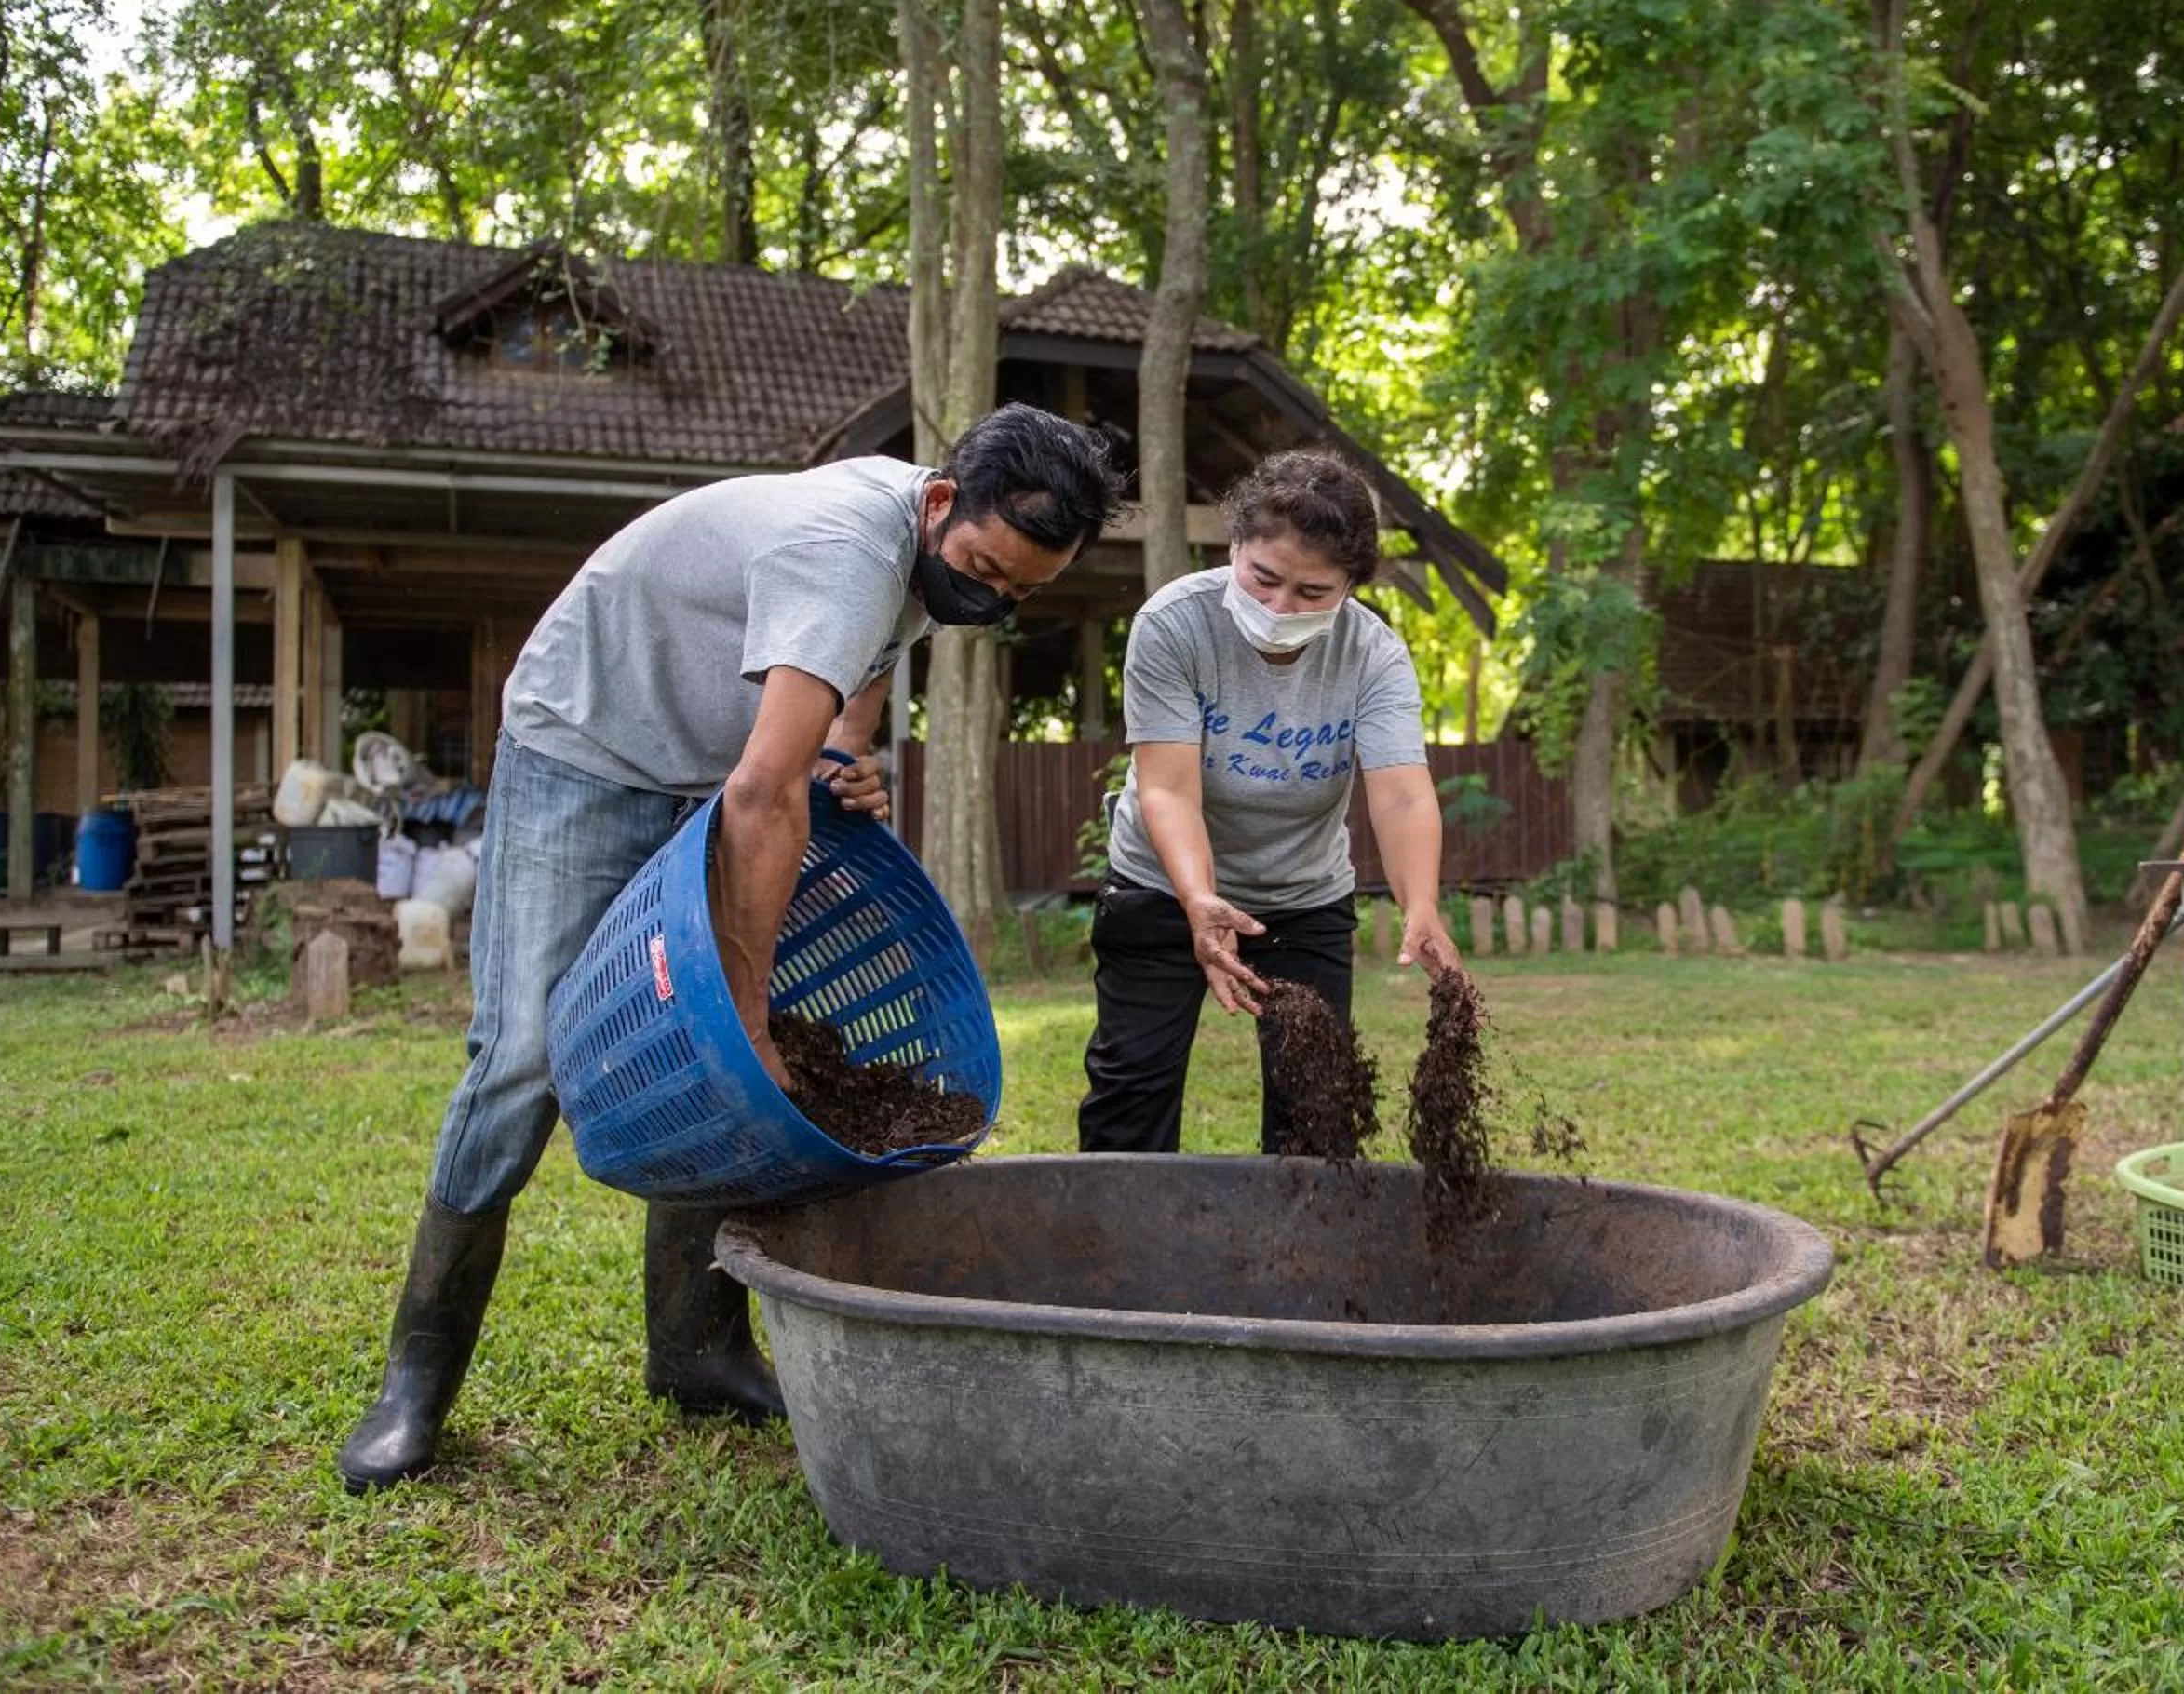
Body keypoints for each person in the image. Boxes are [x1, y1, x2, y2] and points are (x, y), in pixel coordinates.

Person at [338, 404, 1124, 1493]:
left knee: (701, 1058)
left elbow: (866, 655)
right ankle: (416, 1380)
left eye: (1020, 594)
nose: (991, 600)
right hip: (588, 741)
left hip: (701, 763)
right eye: (987, 573)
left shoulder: (933, 545)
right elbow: (761, 795)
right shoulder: (848, 546)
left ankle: (697, 1351)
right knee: (524, 1058)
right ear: (940, 501)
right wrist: (749, 1015)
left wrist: (843, 749)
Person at [1078, 448, 1463, 1155]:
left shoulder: (1373, 655)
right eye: (1263, 579)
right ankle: (1117, 1255)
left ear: (1349, 587)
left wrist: (1422, 905)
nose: (1280, 607)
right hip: (1163, 886)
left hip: (1303, 897)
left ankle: (1302, 1260)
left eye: (1312, 593)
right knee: (1132, 1086)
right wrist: (1199, 898)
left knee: (1316, 1105)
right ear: (1235, 549)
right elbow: (1166, 788)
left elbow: (1403, 796)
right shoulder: (1173, 625)